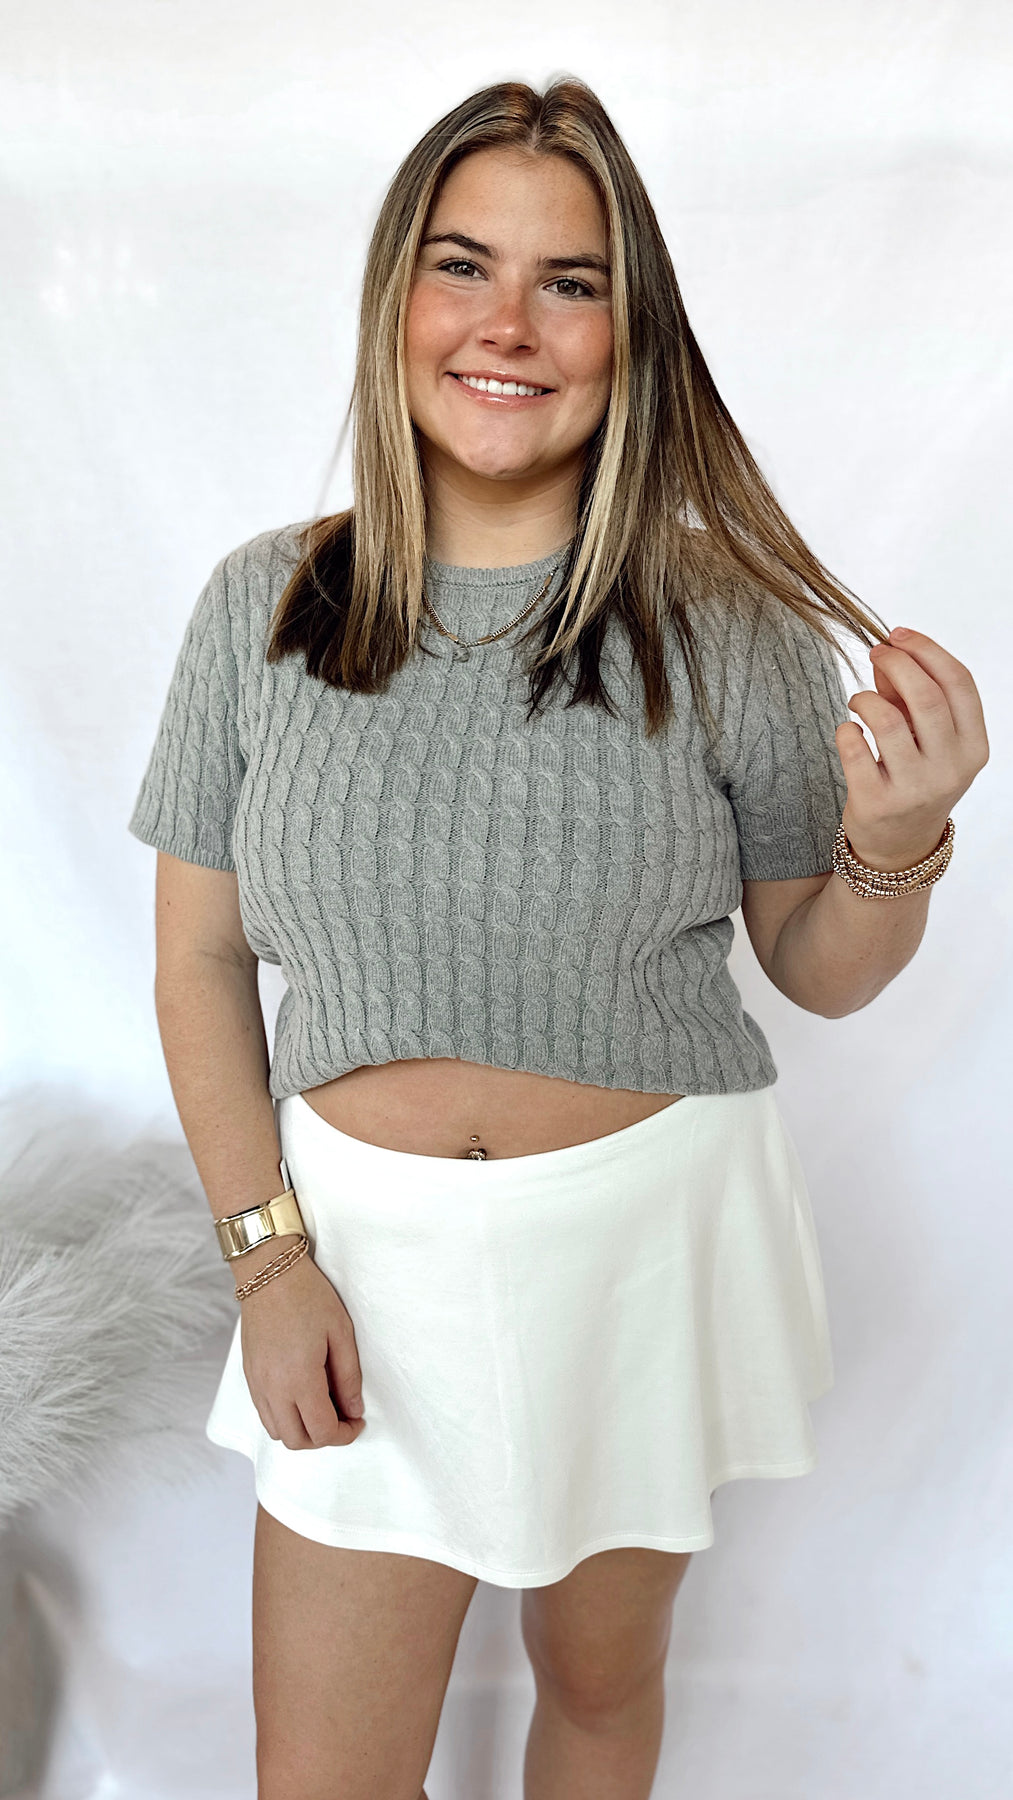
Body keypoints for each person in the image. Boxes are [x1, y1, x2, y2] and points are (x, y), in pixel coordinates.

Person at [128, 75, 988, 1800]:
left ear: (627, 333)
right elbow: (200, 965)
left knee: (599, 1695)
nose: (508, 324)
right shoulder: (262, 608)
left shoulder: (724, 624)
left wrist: (895, 845)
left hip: (645, 1252)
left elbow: (814, 969)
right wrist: (268, 1263)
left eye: (569, 281)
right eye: (463, 265)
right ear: (396, 297)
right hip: (355, 1264)